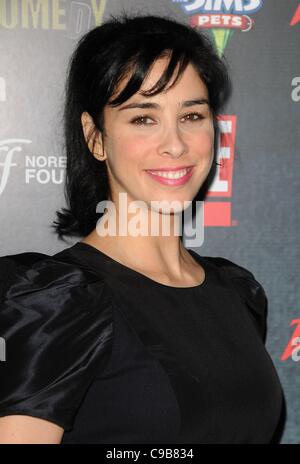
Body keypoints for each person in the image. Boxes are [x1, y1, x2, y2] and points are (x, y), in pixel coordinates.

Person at [0, 13, 283, 444]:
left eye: (192, 116)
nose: (175, 144)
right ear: (95, 137)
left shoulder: (239, 293)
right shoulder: (56, 305)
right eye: (143, 118)